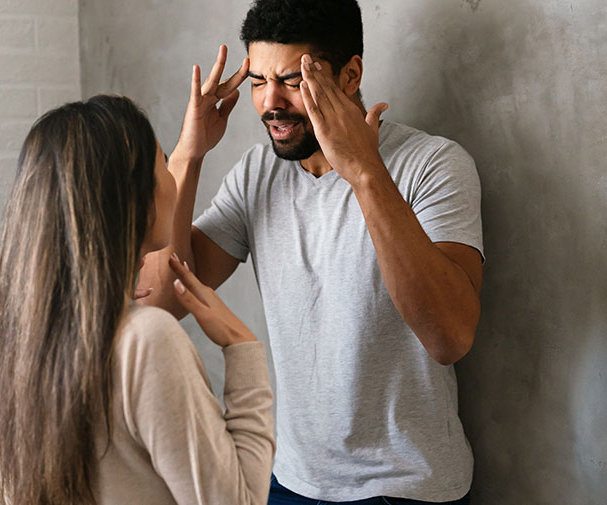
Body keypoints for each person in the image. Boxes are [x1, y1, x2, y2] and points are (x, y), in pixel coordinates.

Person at [139, 0, 484, 503]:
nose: (269, 103)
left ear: (350, 75)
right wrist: (188, 154)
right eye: (258, 81)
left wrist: (364, 172)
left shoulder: (433, 164)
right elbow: (157, 298)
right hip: (292, 481)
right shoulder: (258, 173)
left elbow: (449, 336)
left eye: (291, 81)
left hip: (405, 487)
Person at [0, 95, 275, 505]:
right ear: (135, 198)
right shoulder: (146, 339)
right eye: (163, 162)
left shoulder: (6, 330)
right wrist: (242, 346)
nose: (172, 178)